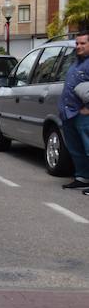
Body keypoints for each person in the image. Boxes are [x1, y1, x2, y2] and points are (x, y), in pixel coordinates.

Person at [59, 30, 89, 192]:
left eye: (83, 43)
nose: (78, 46)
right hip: (69, 113)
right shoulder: (76, 62)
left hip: (83, 114)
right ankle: (82, 177)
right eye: (77, 43)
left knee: (88, 148)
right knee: (75, 148)